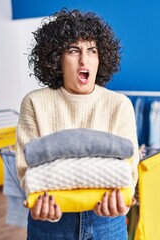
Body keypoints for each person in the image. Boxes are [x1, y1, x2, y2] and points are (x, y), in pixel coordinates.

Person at [15, 9, 139, 239]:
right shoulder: (34, 103)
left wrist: (124, 201)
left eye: (91, 50)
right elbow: (26, 167)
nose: (84, 59)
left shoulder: (119, 105)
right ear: (56, 59)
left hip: (107, 223)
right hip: (51, 224)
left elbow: (129, 169)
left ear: (100, 57)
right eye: (74, 50)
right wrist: (39, 200)